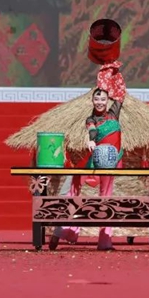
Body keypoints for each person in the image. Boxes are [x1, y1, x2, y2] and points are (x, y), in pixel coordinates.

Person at [50, 85, 124, 251]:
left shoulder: (114, 114)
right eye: (96, 99)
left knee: (106, 198)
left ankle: (105, 241)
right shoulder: (91, 120)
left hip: (111, 161)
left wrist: (110, 77)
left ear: (108, 100)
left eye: (103, 99)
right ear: (92, 100)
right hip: (95, 160)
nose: (100, 102)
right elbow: (92, 131)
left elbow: (120, 96)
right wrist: (91, 140)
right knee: (73, 188)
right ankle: (61, 232)